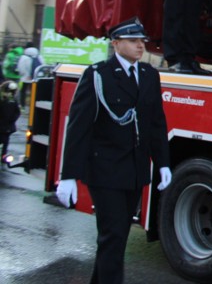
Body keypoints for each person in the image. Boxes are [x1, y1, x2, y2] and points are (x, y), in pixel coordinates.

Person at [55, 17, 172, 284]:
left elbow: (156, 122)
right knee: (114, 234)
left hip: (134, 171)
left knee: (115, 236)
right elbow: (79, 128)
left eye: (142, 41)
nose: (140, 46)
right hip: (105, 170)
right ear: (116, 43)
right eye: (133, 41)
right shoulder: (98, 75)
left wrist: (163, 162)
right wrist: (69, 175)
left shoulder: (149, 75)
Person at [16, 42, 43, 108]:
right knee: (34, 92)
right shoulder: (39, 56)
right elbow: (42, 65)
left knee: (23, 92)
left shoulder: (24, 57)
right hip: (36, 77)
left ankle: (22, 106)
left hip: (25, 78)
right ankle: (33, 106)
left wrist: (24, 75)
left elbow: (21, 67)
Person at [0, 81, 20, 167]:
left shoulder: (10, 100)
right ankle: (3, 156)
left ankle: (3, 156)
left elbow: (17, 112)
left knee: (5, 141)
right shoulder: (12, 101)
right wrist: (11, 120)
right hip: (7, 126)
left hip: (5, 126)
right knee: (5, 142)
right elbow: (17, 112)